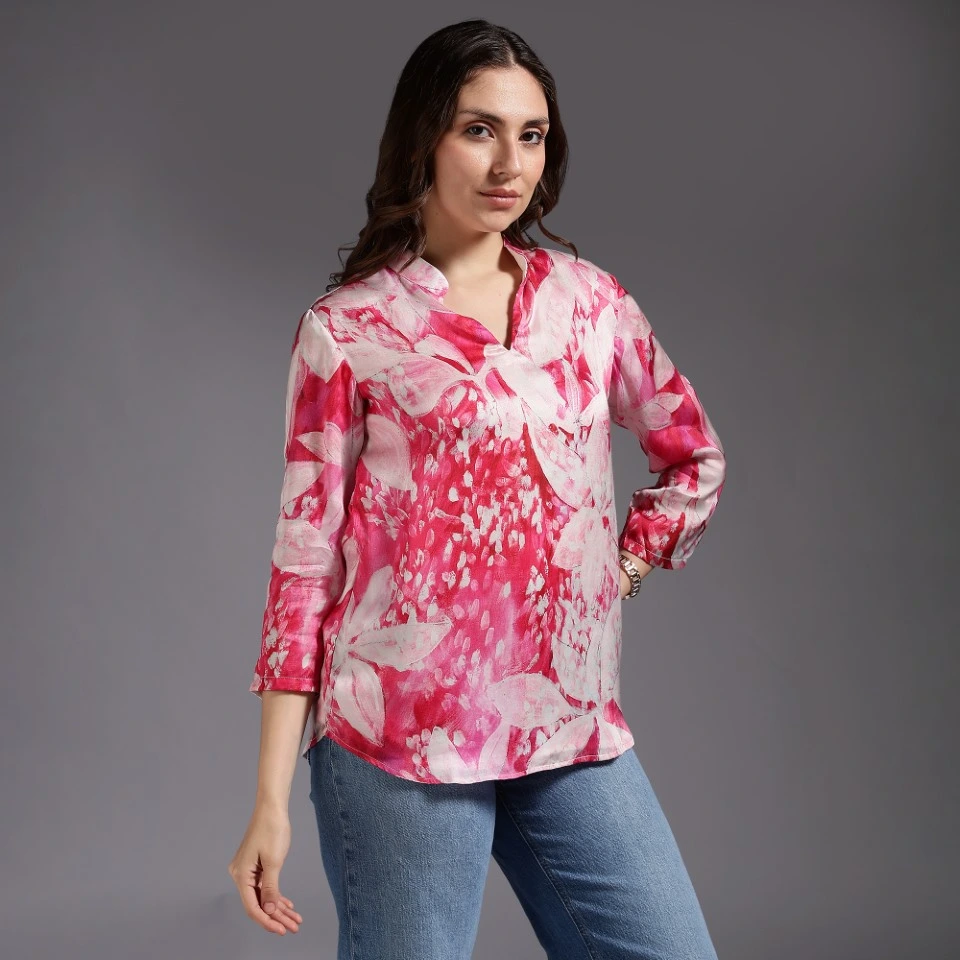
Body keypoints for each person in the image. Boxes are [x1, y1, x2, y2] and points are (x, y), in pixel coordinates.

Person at [228, 18, 727, 960]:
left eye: (531, 135)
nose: (509, 164)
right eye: (478, 130)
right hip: (395, 744)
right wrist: (268, 799)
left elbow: (692, 455)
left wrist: (619, 571)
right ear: (424, 138)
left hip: (569, 730)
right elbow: (303, 568)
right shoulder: (350, 331)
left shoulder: (590, 305)